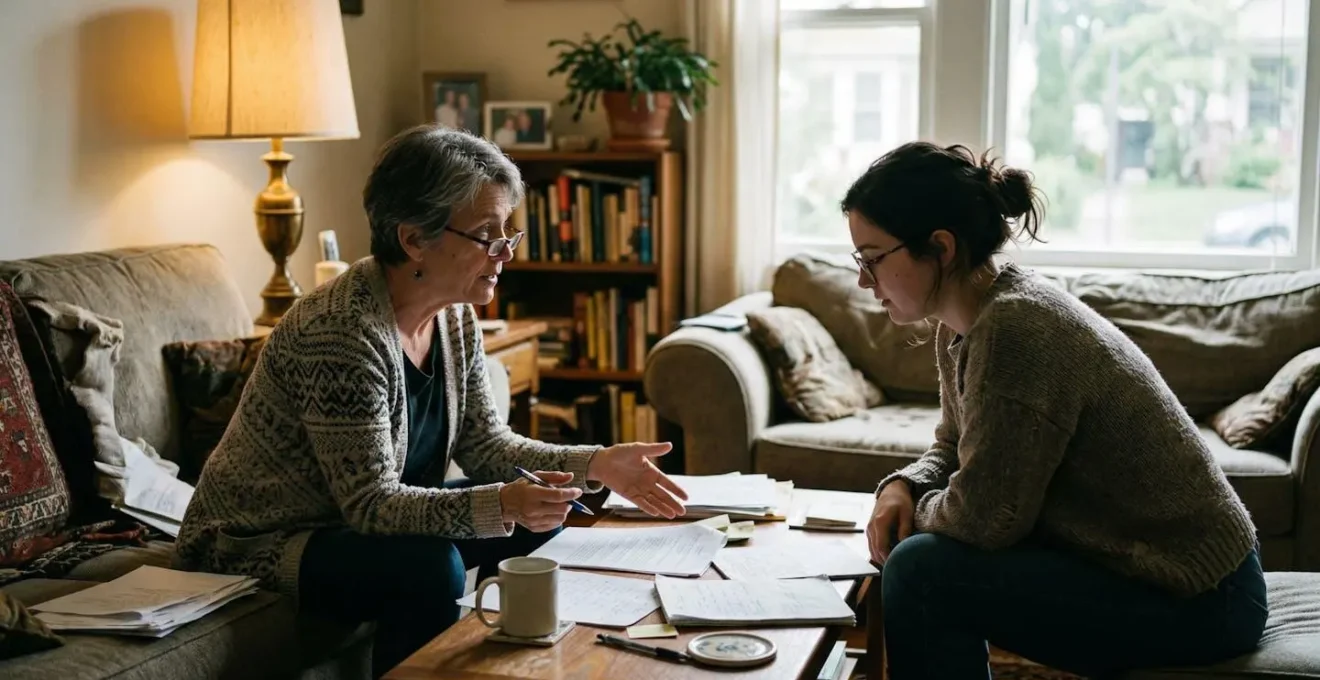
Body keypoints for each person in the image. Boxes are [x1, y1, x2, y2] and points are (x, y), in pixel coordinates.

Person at [174, 125, 689, 678]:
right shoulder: (340, 332)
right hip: (259, 540)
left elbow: (487, 445)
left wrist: (596, 463)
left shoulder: (455, 313)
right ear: (414, 238)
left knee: (543, 510)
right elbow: (372, 505)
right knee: (429, 567)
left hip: (346, 525)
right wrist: (503, 503)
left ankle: (515, 664)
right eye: (486, 235)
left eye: (506, 234)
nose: (503, 254)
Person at [846, 142, 1267, 679]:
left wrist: (910, 520)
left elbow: (987, 518)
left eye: (873, 258)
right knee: (921, 558)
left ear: (941, 248)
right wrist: (903, 486)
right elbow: (954, 446)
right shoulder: (964, 322)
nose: (864, 280)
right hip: (1162, 576)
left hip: (1202, 597)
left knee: (919, 570)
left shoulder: (1015, 328)